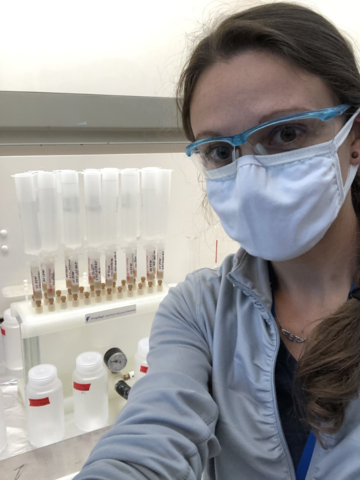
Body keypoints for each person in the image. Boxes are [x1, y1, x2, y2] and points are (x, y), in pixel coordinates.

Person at [74, 3, 360, 479]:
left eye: (286, 133)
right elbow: (151, 438)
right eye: (220, 151)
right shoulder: (199, 311)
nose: (248, 173)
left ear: (354, 138)